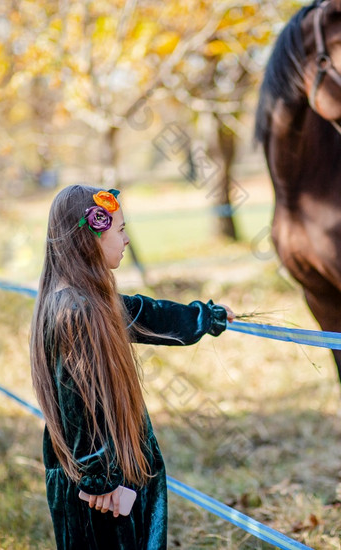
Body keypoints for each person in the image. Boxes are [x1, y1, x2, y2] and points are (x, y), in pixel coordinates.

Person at [30, 184, 235, 549]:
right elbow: (77, 401)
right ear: (90, 236)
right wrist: (98, 479)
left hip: (110, 467)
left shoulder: (91, 300)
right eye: (120, 230)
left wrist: (205, 317)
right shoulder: (76, 311)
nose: (126, 239)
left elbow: (149, 314)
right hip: (101, 483)